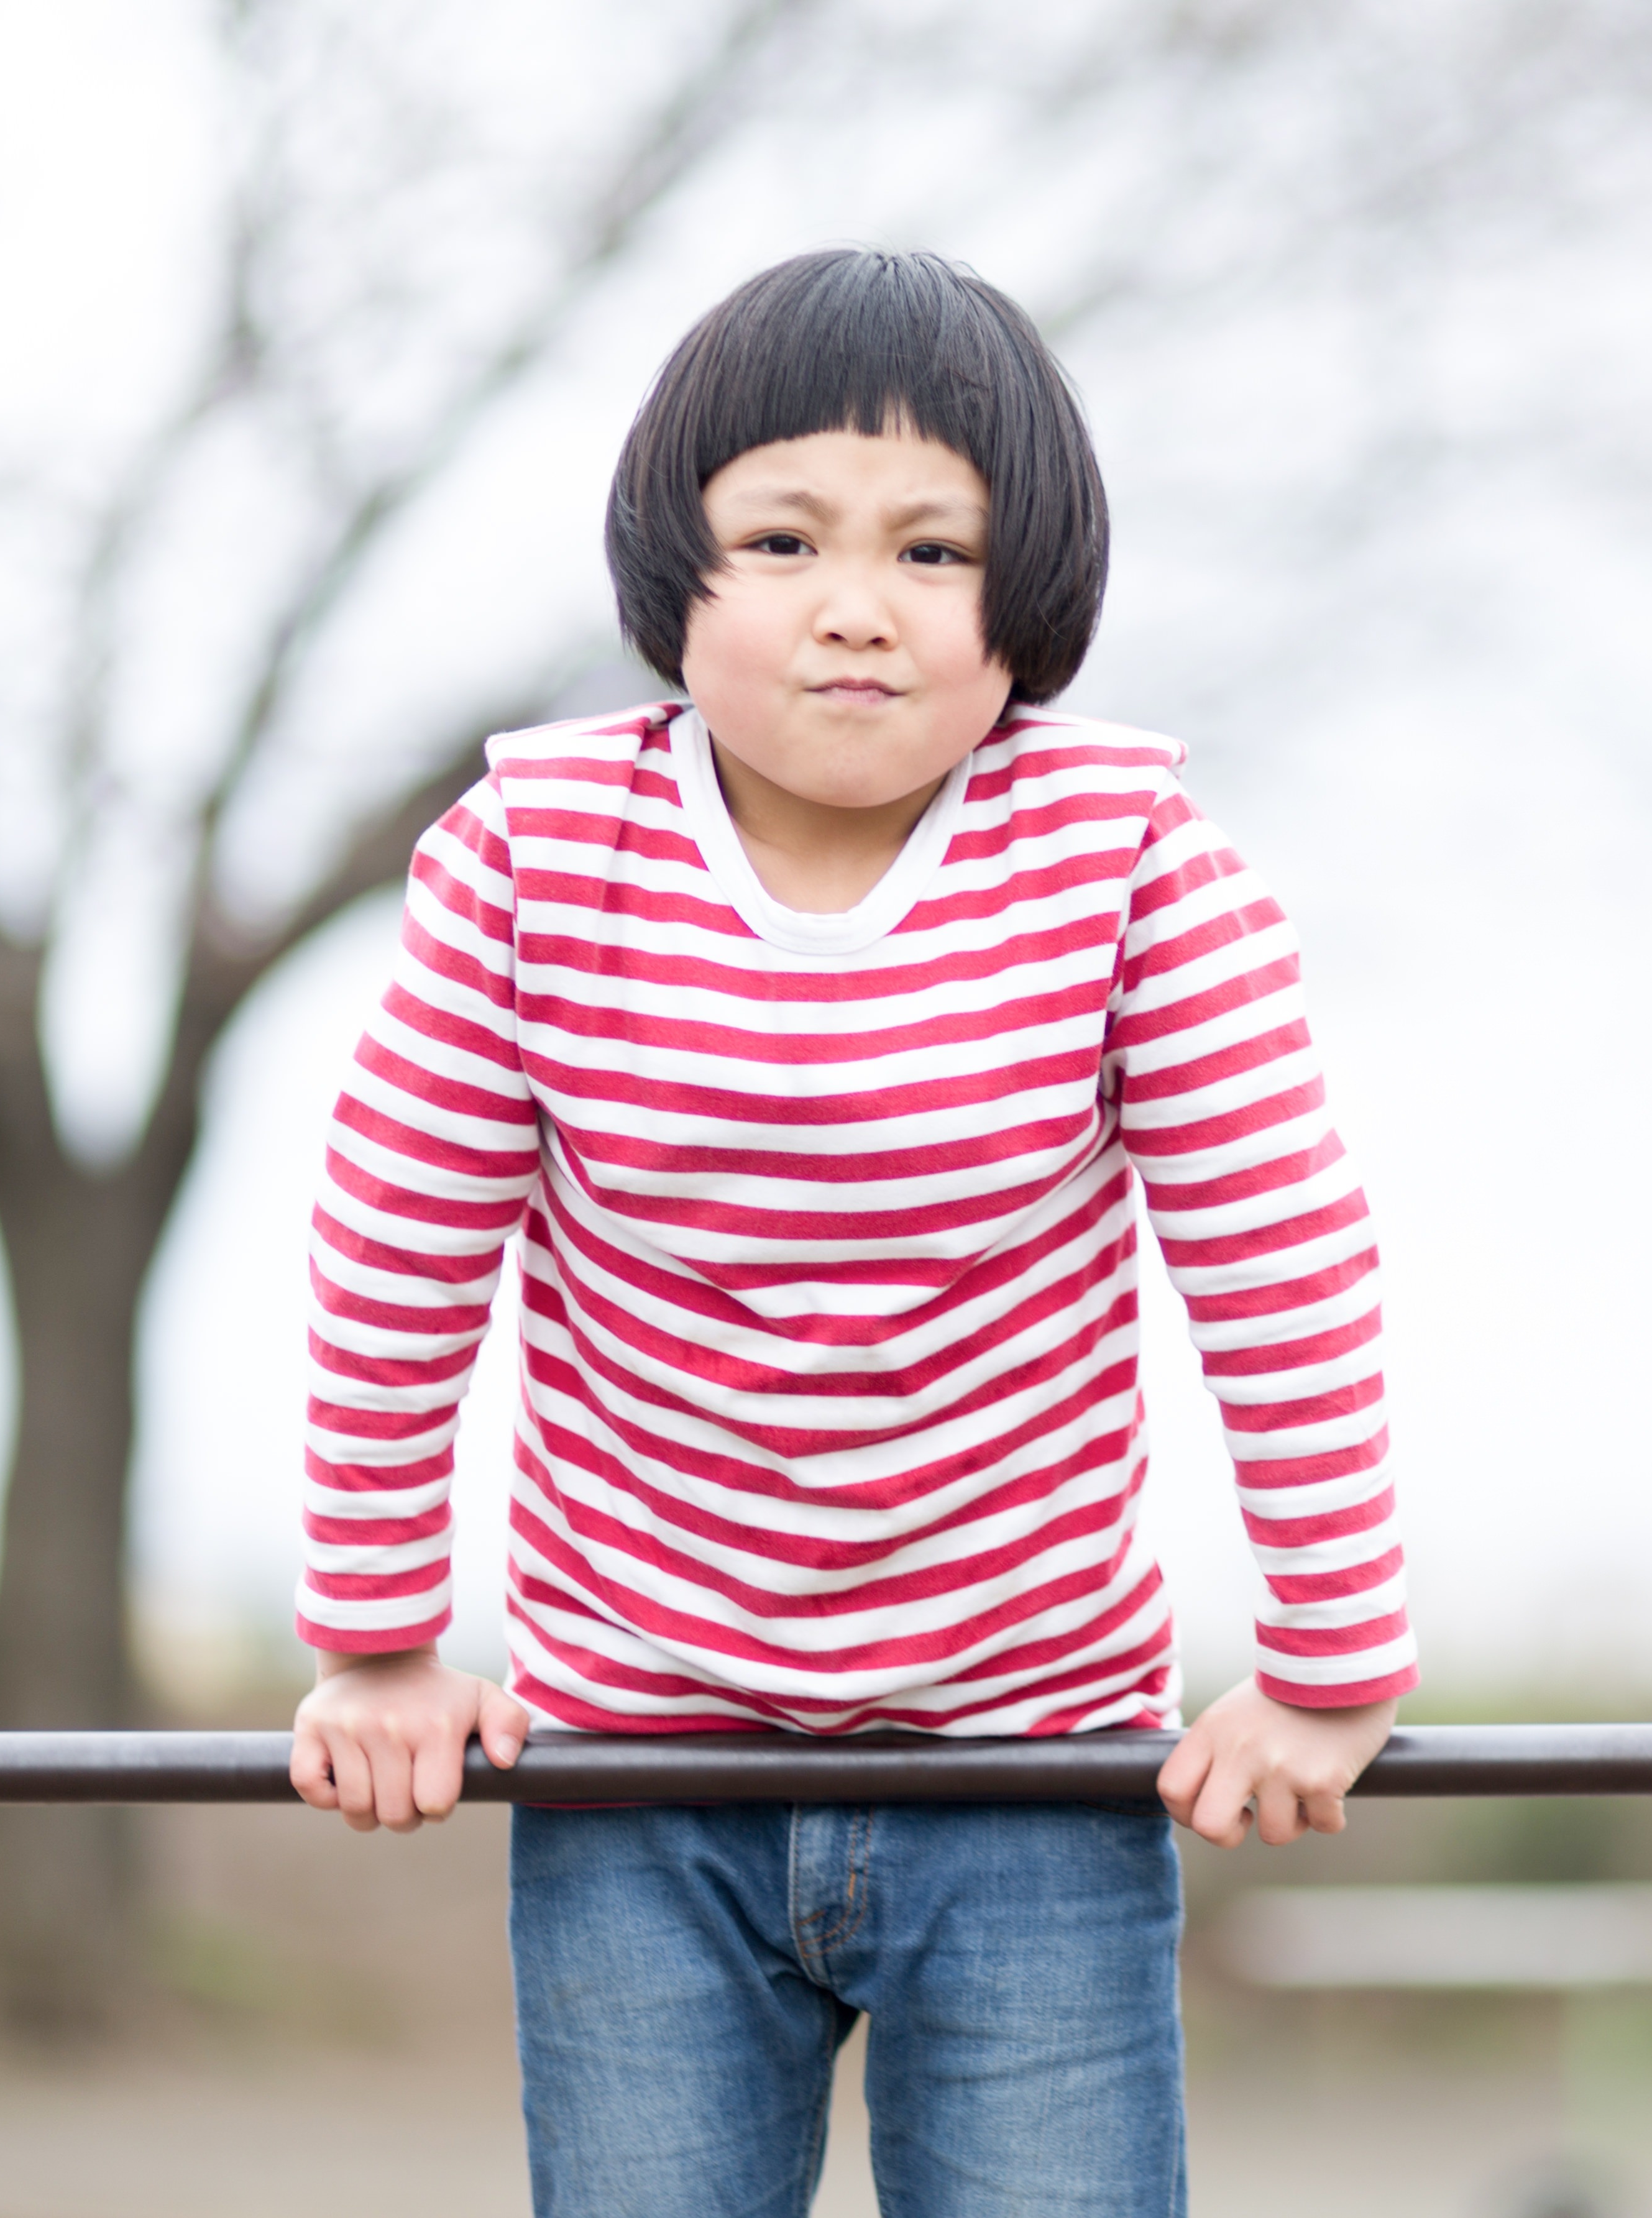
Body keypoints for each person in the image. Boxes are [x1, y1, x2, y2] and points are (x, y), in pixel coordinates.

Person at [285, 249, 1413, 2216]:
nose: (854, 608)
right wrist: (379, 1641)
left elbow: (1280, 1257)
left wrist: (1329, 1658)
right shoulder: (533, 861)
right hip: (636, 1770)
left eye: (931, 551)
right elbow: (396, 1248)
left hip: (1035, 1766)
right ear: (675, 568)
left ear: (1026, 592)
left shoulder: (1128, 862)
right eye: (784, 535)